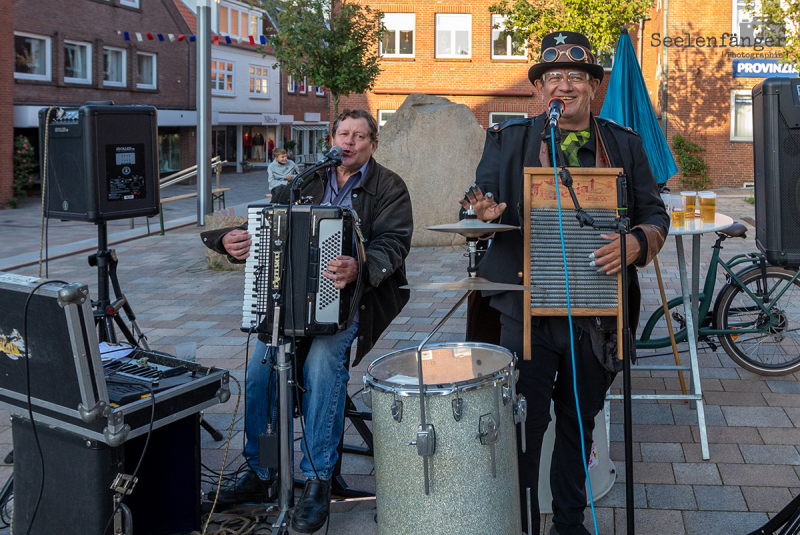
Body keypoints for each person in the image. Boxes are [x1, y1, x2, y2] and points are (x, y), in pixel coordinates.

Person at [458, 31, 669, 535]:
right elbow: (472, 206)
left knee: (579, 425)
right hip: (524, 311)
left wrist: (639, 242)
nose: (565, 85)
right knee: (522, 430)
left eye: (577, 76)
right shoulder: (508, 142)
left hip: (595, 318)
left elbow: (655, 214)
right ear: (539, 90)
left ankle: (569, 525)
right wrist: (479, 212)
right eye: (553, 77)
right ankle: (523, 522)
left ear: (593, 87)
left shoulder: (624, 144)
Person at [201, 108, 413, 534]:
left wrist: (361, 265)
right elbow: (267, 222)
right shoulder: (308, 178)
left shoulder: (388, 186)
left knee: (321, 365)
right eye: (343, 134)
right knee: (260, 369)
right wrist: (226, 240)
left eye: (359, 136)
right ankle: (261, 473)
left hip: (352, 301)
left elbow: (395, 243)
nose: (349, 143)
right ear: (332, 137)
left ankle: (317, 479)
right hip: (293, 301)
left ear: (373, 143)